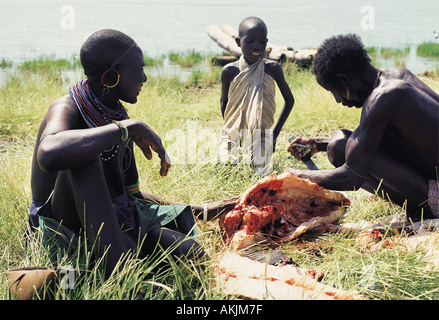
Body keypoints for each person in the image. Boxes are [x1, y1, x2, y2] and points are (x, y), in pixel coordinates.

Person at [29, 29, 235, 277]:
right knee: (84, 158)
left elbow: (124, 195)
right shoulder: (68, 108)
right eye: (139, 69)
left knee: (193, 255)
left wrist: (203, 210)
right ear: (113, 73)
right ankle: (121, 278)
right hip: (66, 228)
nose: (145, 77)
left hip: (110, 222)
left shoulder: (114, 113)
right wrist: (127, 128)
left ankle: (113, 260)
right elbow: (49, 153)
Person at [287, 33, 439, 221]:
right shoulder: (398, 76)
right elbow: (399, 138)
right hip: (431, 176)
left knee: (340, 148)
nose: (338, 100)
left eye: (334, 91)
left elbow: (351, 177)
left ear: (344, 81)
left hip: (436, 194)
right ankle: (422, 206)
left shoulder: (385, 97)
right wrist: (319, 144)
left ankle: (424, 210)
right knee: (338, 142)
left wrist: (293, 176)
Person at [219, 16, 294, 174]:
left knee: (260, 173)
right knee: (227, 171)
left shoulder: (272, 68)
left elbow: (289, 100)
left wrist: (273, 136)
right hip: (233, 135)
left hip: (262, 136)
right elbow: (224, 103)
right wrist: (231, 132)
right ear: (238, 42)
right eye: (250, 41)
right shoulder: (229, 71)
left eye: (262, 42)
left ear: (267, 43)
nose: (256, 46)